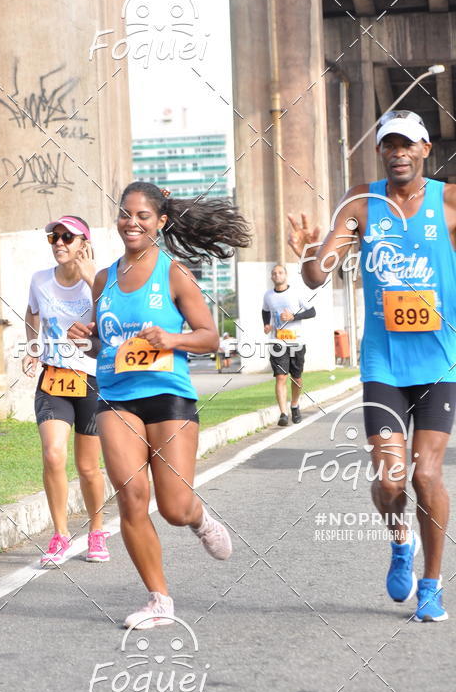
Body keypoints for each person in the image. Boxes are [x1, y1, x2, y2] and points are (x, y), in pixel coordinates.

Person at [288, 109, 456, 622]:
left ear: (426, 149)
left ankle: (432, 584)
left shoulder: (449, 202)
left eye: (408, 144)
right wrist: (309, 251)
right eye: (389, 144)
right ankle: (400, 538)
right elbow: (317, 276)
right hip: (383, 363)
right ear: (380, 151)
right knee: (390, 482)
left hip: (439, 362)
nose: (398, 153)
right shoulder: (362, 202)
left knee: (427, 475)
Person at [69, 182, 251, 628]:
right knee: (132, 496)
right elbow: (104, 345)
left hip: (168, 394)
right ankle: (159, 600)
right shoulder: (103, 279)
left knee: (173, 507)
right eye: (125, 214)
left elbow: (210, 337)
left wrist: (172, 338)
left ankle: (199, 518)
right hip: (116, 397)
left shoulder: (174, 273)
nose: (131, 223)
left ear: (161, 222)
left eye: (142, 216)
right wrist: (86, 340)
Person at [23, 215, 108, 566]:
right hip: (53, 380)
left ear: (83, 244)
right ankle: (60, 535)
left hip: (91, 381)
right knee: (53, 454)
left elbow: (112, 321)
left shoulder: (100, 281)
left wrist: (91, 278)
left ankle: (97, 531)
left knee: (88, 468)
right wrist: (33, 347)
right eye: (53, 237)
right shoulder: (40, 280)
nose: (59, 242)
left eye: (67, 237)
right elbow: (32, 313)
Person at [262, 264, 316, 425]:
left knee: (296, 378)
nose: (277, 275)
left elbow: (312, 311)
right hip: (277, 342)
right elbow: (265, 310)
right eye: (274, 273)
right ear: (271, 277)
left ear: (285, 275)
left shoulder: (296, 293)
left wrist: (294, 317)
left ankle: (294, 405)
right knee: (280, 377)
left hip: (296, 341)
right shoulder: (268, 295)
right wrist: (266, 324)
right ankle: (283, 414)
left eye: (280, 272)